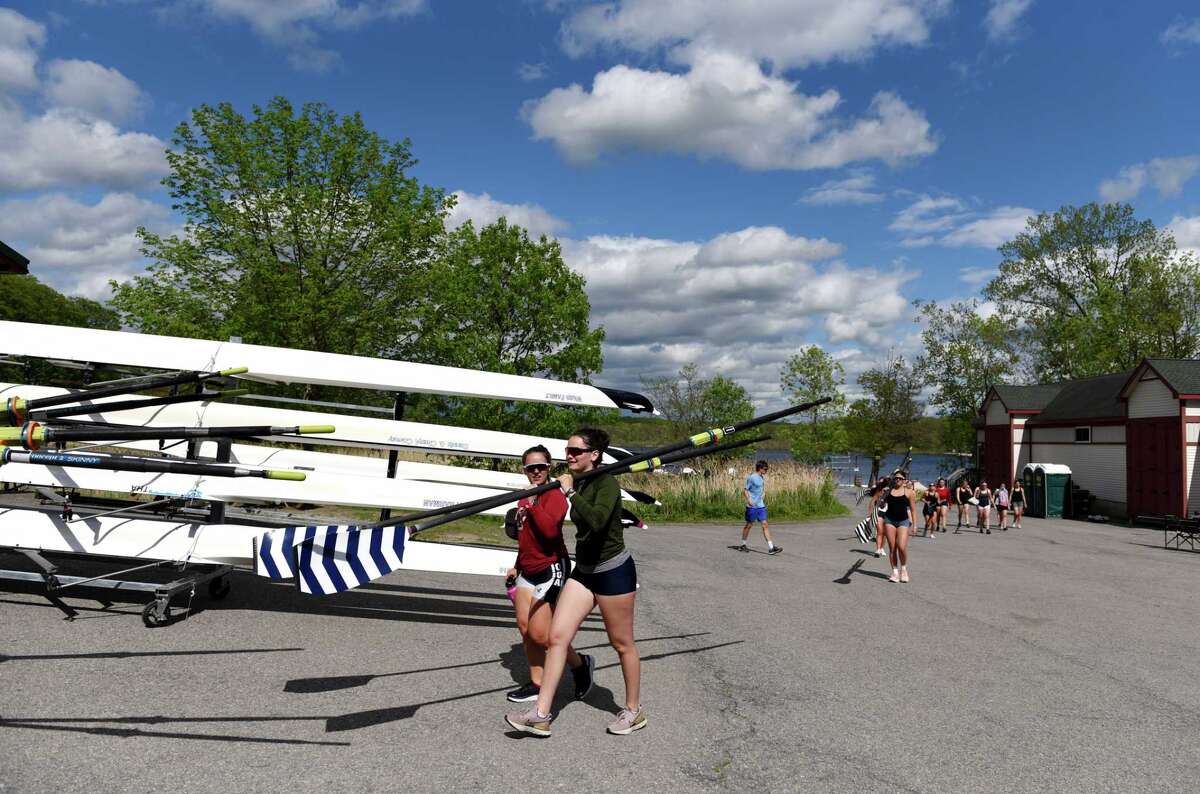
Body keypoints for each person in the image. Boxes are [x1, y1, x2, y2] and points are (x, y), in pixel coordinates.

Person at [507, 428, 644, 737]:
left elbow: (595, 522)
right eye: (567, 450)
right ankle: (541, 713)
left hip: (612, 570)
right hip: (584, 570)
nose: (568, 456)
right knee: (556, 637)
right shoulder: (577, 480)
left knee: (622, 643)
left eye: (576, 451)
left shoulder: (607, 484)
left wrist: (570, 493)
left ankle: (633, 711)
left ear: (594, 455)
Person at [504, 445, 594, 705]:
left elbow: (549, 532)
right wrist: (516, 565)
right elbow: (526, 538)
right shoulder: (525, 497)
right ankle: (536, 682)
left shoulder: (553, 494)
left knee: (542, 634)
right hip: (527, 569)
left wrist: (532, 503)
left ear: (549, 467)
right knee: (525, 628)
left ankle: (580, 665)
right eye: (531, 468)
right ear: (525, 470)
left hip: (551, 567)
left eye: (541, 466)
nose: (536, 472)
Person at [880, 471, 917, 583]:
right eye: (896, 478)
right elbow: (881, 505)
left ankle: (904, 569)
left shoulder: (909, 492)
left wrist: (915, 525)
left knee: (901, 546)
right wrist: (883, 497)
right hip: (889, 520)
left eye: (900, 478)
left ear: (904, 480)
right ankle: (895, 572)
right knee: (892, 548)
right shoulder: (888, 491)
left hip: (903, 521)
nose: (898, 480)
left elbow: (913, 509)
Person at [738, 460, 780, 554]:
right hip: (752, 506)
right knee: (749, 525)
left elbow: (760, 489)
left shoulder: (761, 477)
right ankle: (743, 545)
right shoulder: (752, 477)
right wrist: (749, 500)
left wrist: (762, 496)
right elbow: (745, 490)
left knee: (765, 524)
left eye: (767, 469)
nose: (766, 471)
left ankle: (771, 548)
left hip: (760, 505)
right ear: (760, 468)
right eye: (765, 469)